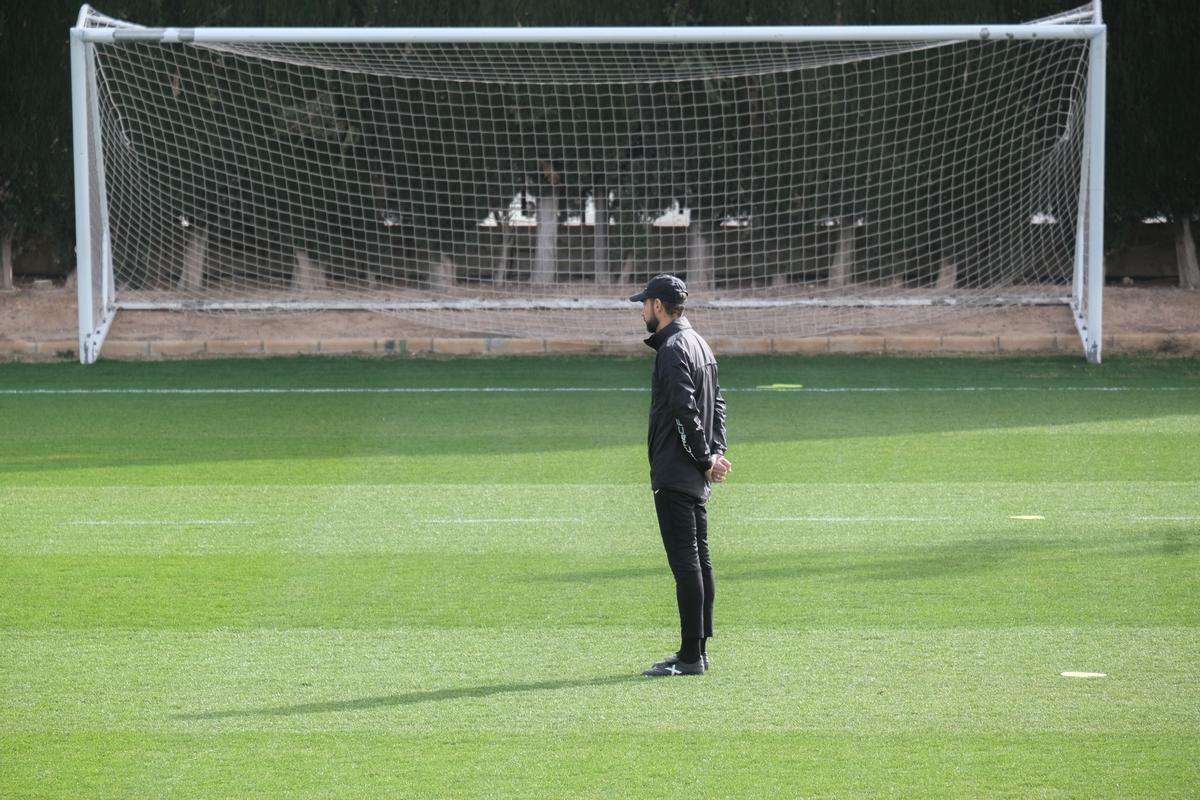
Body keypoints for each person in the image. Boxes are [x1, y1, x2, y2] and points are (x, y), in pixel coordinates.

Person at [629, 274, 731, 677]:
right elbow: (718, 404)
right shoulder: (699, 343)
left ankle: (690, 657)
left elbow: (684, 412)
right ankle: (697, 651)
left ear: (658, 305)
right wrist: (716, 452)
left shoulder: (672, 349)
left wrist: (705, 457)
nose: (641, 311)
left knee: (687, 564)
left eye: (644, 304)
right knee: (700, 560)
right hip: (695, 472)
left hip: (676, 471)